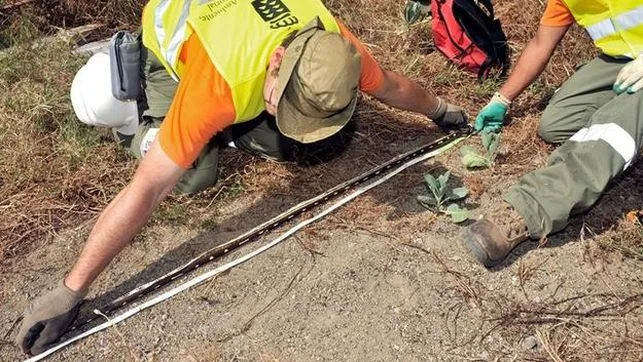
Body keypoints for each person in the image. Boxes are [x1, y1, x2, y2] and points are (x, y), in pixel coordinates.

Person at [15, 0, 468, 355]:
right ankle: (140, 119)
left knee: (297, 145)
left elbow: (391, 85)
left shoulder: (333, 48)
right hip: (171, 44)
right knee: (191, 176)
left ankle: (231, 130)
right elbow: (147, 189)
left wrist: (440, 111)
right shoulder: (215, 86)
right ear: (276, 64)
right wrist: (70, 290)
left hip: (240, 55)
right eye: (289, 104)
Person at [462, 0, 642, 267]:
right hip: (625, 60)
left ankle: (532, 205)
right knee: (557, 123)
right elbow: (540, 44)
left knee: (613, 127)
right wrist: (502, 99)